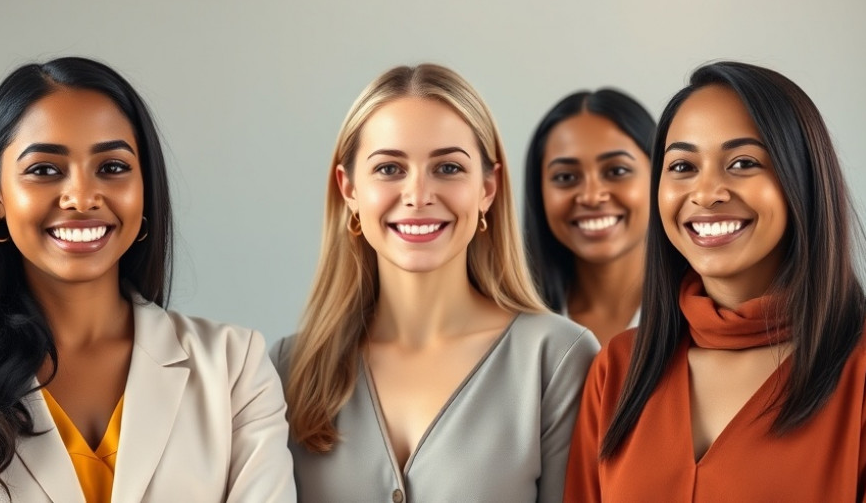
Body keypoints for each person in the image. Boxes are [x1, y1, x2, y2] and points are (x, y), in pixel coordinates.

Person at [0, 57, 295, 502]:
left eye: (113, 167)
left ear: (145, 188)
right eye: (45, 169)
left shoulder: (235, 367)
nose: (82, 198)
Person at [270, 63, 599, 502]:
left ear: (488, 187)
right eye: (389, 169)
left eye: (447, 168)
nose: (419, 195)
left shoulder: (557, 359)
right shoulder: (288, 368)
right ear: (349, 189)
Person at [564, 61, 866, 501]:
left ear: (802, 178)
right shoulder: (618, 369)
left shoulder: (857, 371)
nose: (706, 193)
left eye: (743, 162)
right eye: (683, 166)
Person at [523, 89, 655, 344]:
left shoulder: (705, 315)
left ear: (659, 176)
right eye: (566, 177)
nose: (592, 196)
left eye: (617, 170)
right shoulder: (509, 325)